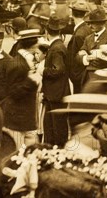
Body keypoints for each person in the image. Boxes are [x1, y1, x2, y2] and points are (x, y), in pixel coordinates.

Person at [0, 29, 44, 148]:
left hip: (26, 119)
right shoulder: (17, 64)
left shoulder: (25, 61)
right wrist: (31, 81)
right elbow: (12, 92)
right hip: (17, 120)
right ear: (33, 44)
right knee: (16, 153)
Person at [42, 17, 70, 146]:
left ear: (47, 32)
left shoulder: (56, 48)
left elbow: (58, 70)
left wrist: (43, 70)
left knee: (56, 127)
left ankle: (57, 151)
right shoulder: (58, 45)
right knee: (51, 126)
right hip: (55, 93)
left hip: (56, 94)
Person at [77, 7, 107, 84]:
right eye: (89, 23)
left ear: (102, 23)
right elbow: (78, 56)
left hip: (101, 79)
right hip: (86, 78)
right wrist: (86, 57)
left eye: (93, 23)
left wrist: (86, 57)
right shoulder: (88, 38)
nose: (90, 26)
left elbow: (104, 61)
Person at [66, 0, 93, 93]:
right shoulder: (87, 29)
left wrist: (74, 75)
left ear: (72, 14)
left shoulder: (79, 34)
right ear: (85, 14)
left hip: (79, 76)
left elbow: (81, 55)